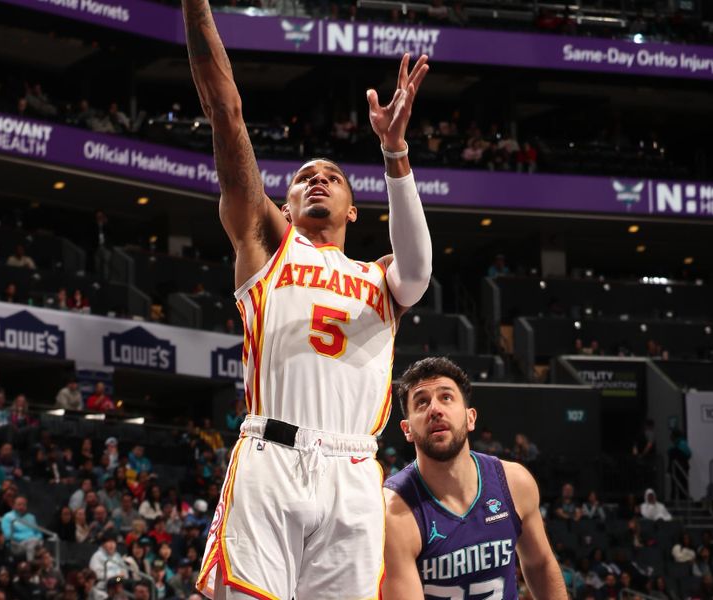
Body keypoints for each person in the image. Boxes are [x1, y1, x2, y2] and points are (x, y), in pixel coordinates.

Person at [182, 3, 432, 596]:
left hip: (353, 470)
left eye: (332, 176)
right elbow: (226, 113)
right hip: (273, 452)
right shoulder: (268, 244)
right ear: (286, 203)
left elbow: (419, 269)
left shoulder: (382, 277)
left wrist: (394, 153)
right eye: (303, 177)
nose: (316, 179)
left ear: (352, 209)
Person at [382, 358, 567, 599]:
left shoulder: (514, 482)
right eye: (421, 402)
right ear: (407, 429)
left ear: (470, 418)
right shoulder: (393, 513)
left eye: (446, 397)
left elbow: (540, 564)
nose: (435, 410)